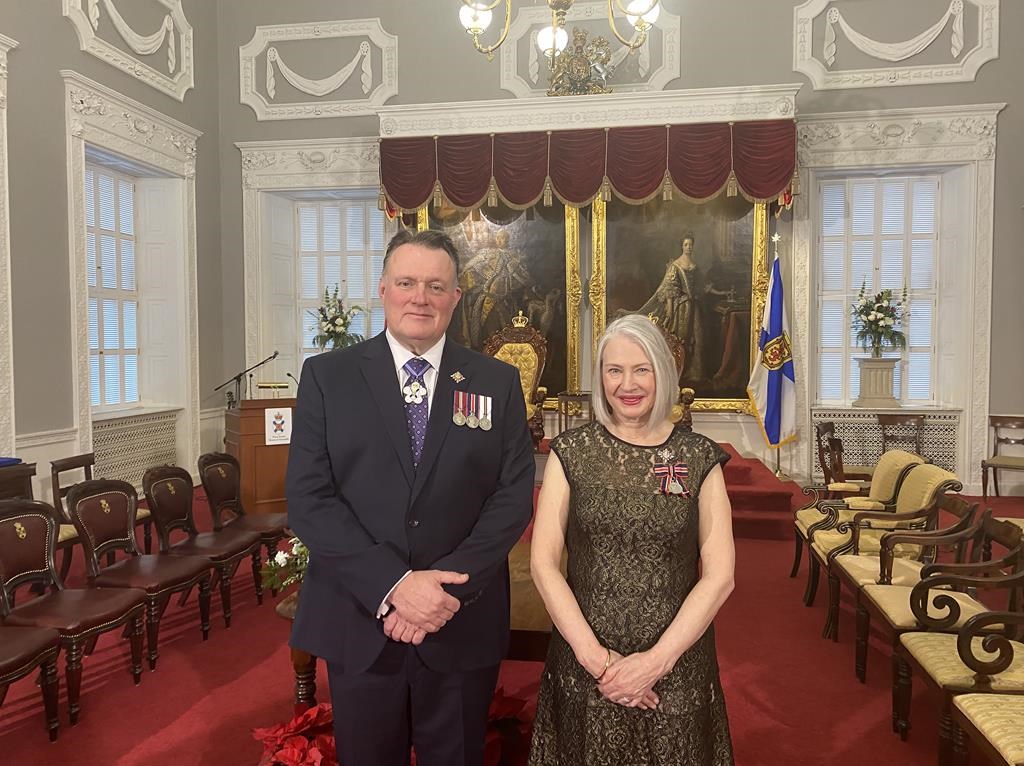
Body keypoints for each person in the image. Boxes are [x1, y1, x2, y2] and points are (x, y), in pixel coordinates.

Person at [285, 228, 536, 766]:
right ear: (382, 289)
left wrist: (440, 593)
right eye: (406, 283)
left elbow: (512, 498)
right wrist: (394, 585)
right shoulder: (328, 377)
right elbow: (309, 497)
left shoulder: (496, 382)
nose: (420, 297)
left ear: (455, 297)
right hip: (361, 617)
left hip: (457, 619)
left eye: (435, 286)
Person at [528, 314, 736, 765]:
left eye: (642, 369)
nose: (628, 384)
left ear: (663, 373)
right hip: (585, 662)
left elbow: (720, 576)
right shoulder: (571, 453)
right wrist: (601, 663)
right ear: (600, 377)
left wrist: (654, 662)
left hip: (675, 667)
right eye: (614, 370)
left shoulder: (698, 457)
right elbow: (543, 565)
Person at [634, 233, 711, 381]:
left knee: (696, 336)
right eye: (686, 244)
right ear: (682, 246)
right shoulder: (676, 265)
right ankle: (676, 371)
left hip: (693, 307)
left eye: (691, 245)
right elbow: (670, 288)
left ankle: (693, 371)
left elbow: (701, 286)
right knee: (679, 337)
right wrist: (669, 308)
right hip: (680, 308)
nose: (688, 247)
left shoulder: (695, 266)